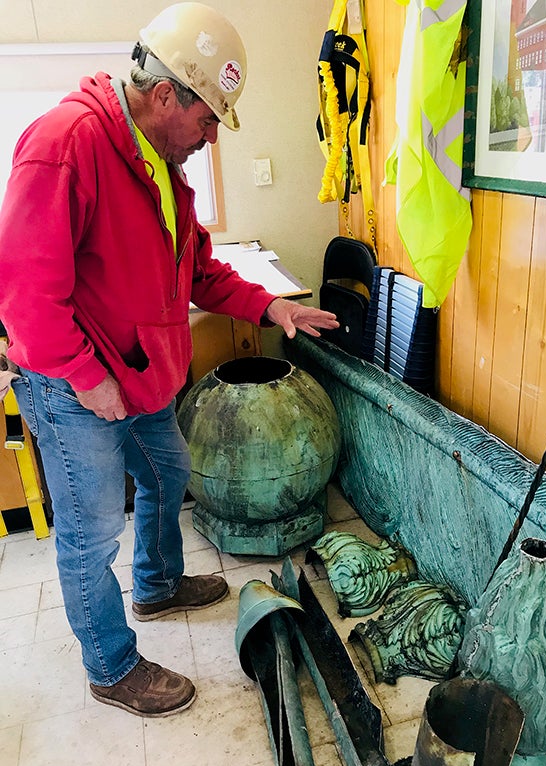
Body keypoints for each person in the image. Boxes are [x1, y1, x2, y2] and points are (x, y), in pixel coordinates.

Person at [0, 2, 338, 718]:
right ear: (164, 96)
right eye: (209, 118)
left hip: (141, 375)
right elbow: (25, 297)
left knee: (170, 471)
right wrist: (89, 381)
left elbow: (196, 273)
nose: (211, 135)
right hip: (74, 386)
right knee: (92, 533)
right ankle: (111, 666)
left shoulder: (159, 164)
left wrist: (270, 307)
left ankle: (156, 585)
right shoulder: (66, 144)